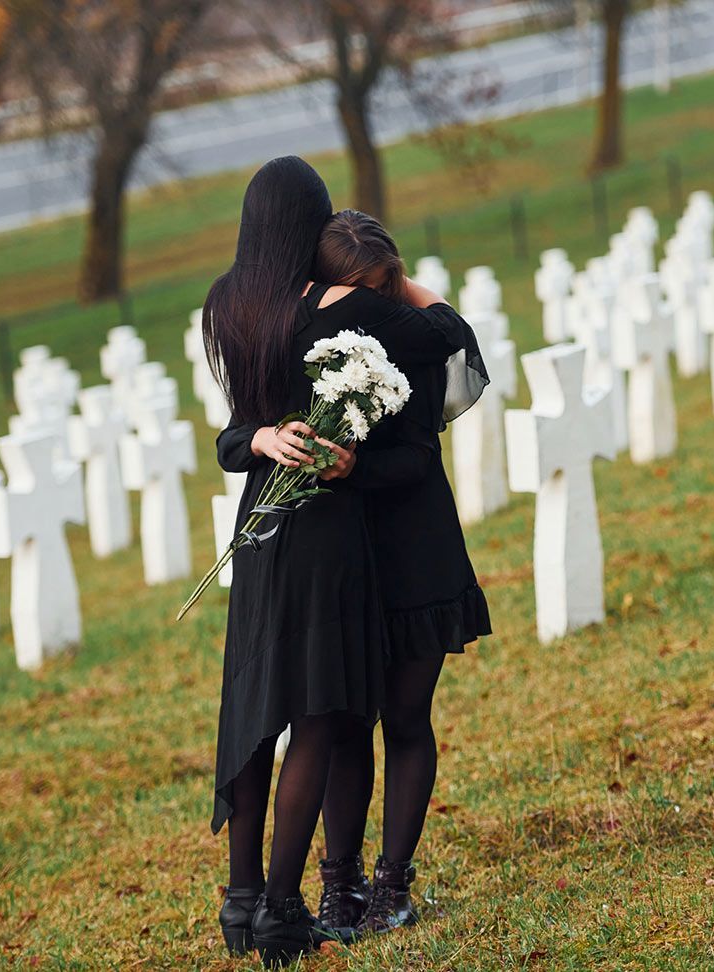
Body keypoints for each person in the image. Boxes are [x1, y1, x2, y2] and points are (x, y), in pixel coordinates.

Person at [204, 164, 479, 966]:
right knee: (331, 721)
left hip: (307, 537)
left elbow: (243, 432)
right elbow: (451, 333)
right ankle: (311, 893)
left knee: (309, 718)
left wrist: (261, 442)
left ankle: (300, 892)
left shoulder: (239, 305)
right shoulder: (344, 314)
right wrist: (404, 284)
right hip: (329, 545)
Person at [304, 210, 493, 940]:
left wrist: (398, 283)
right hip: (347, 558)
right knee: (346, 725)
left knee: (406, 718)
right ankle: (339, 885)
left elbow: (420, 452)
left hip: (415, 544)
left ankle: (392, 884)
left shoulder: (409, 342)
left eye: (385, 290)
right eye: (362, 293)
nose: (373, 308)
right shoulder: (309, 347)